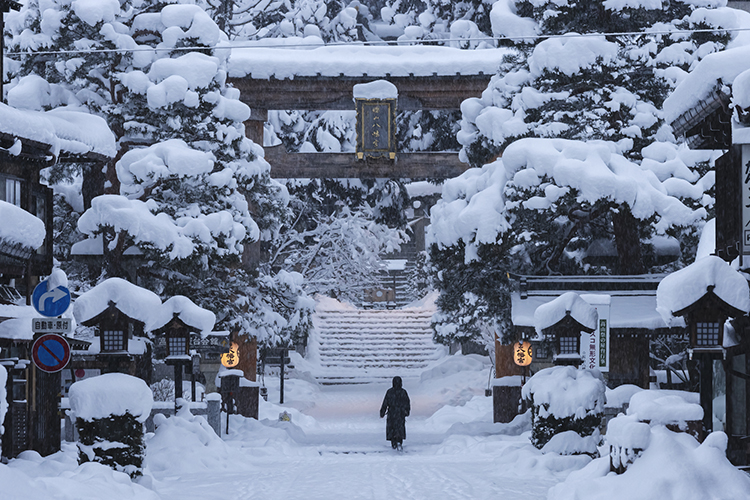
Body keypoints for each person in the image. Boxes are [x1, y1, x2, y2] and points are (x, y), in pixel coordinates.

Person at [379, 376, 410, 450]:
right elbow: (407, 403)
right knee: (399, 427)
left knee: (392, 427)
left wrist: (382, 411)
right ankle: (399, 440)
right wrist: (407, 411)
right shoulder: (403, 392)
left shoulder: (390, 392)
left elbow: (385, 402)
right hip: (400, 413)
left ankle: (394, 441)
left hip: (392, 413)